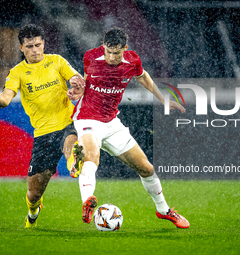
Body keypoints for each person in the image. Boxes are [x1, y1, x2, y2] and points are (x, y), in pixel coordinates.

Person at [67, 27, 189, 228]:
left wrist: (163, 99)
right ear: (103, 46)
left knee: (146, 168)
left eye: (116, 53)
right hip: (88, 118)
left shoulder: (132, 61)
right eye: (108, 51)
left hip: (112, 122)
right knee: (91, 157)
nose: (111, 57)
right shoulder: (91, 57)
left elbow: (143, 77)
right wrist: (78, 91)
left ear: (125, 48)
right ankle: (87, 202)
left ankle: (164, 210)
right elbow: (85, 82)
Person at [0, 24, 85, 228]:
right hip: (42, 136)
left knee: (71, 142)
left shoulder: (57, 61)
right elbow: (4, 101)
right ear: (21, 48)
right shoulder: (17, 73)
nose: (35, 50)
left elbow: (76, 79)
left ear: (44, 43)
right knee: (33, 193)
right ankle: (33, 212)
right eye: (30, 46)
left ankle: (74, 160)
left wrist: (77, 84)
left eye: (38, 45)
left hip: (66, 123)